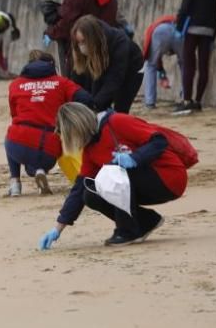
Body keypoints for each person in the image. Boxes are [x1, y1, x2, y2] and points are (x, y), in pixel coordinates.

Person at [38, 102, 188, 249]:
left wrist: (135, 158)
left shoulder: (117, 122)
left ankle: (127, 231)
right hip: (142, 184)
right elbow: (79, 189)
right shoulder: (90, 149)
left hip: (168, 176)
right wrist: (58, 228)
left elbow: (159, 140)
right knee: (89, 192)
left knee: (114, 173)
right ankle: (145, 222)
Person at [6, 50, 93, 197]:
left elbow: (14, 115)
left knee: (13, 133)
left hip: (19, 142)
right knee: (40, 146)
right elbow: (86, 99)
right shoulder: (61, 82)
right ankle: (40, 170)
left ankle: (15, 183)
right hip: (50, 146)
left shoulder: (15, 84)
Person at [173, 0, 216, 115]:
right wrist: (213, 34)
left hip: (192, 27)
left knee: (189, 64)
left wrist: (179, 26)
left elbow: (185, 6)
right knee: (203, 66)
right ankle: (198, 100)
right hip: (208, 29)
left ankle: (186, 100)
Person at [70, 15, 144, 113]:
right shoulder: (82, 52)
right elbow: (77, 78)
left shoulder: (119, 43)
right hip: (103, 64)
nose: (82, 46)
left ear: (93, 39)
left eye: (84, 42)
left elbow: (114, 79)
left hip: (131, 68)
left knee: (121, 106)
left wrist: (95, 106)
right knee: (92, 97)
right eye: (79, 43)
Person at [141, 15, 183, 109]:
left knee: (150, 65)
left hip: (160, 31)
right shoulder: (168, 19)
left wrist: (162, 74)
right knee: (185, 64)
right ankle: (185, 98)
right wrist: (162, 75)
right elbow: (159, 63)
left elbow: (153, 61)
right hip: (178, 29)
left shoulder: (150, 33)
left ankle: (149, 101)